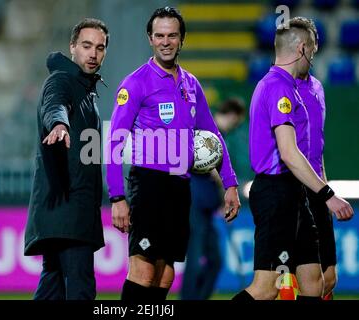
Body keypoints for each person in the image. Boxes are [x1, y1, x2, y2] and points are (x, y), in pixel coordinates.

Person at [106, 6, 241, 301]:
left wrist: (230, 183)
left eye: (172, 35)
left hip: (181, 186)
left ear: (182, 40)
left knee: (165, 274)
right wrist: (117, 197)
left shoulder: (191, 84)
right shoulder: (136, 82)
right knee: (143, 272)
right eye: (159, 36)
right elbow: (115, 141)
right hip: (149, 184)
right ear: (150, 39)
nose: (165, 41)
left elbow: (213, 136)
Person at [233, 17, 354, 301]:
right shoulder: (278, 87)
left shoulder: (294, 87)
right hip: (277, 191)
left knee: (314, 284)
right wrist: (328, 194)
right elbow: (288, 152)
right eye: (312, 49)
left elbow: (313, 150)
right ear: (301, 48)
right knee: (265, 288)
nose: (313, 56)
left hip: (297, 191)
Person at [24, 18, 109, 300]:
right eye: (86, 46)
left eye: (100, 47)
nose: (93, 54)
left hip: (64, 210)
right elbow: (54, 104)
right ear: (72, 47)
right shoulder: (62, 80)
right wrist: (59, 125)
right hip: (69, 211)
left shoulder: (86, 90)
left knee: (52, 289)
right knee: (80, 290)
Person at [181, 98, 246, 300]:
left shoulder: (218, 133)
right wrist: (225, 183)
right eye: (236, 122)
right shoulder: (206, 131)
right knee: (195, 256)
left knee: (214, 260)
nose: (235, 126)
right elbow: (206, 165)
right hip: (194, 204)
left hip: (206, 209)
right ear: (233, 115)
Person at [296, 18, 337, 300]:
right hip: (290, 188)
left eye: (311, 44)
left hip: (318, 189)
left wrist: (326, 189)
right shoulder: (277, 86)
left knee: (329, 277)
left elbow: (317, 146)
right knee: (282, 279)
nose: (308, 50)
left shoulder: (318, 88)